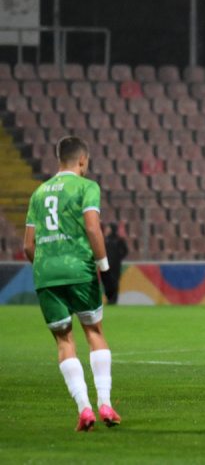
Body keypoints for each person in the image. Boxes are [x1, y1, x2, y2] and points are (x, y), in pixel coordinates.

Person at [23, 136, 122, 431]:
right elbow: (92, 227)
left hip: (45, 274)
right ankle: (105, 403)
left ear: (58, 159)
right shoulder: (86, 187)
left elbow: (29, 245)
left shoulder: (38, 194)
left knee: (64, 341)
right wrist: (105, 269)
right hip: (79, 269)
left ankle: (84, 410)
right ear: (82, 160)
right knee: (94, 333)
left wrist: (46, 267)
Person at [101, 221, 128, 305]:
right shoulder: (105, 239)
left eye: (108, 227)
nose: (107, 229)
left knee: (114, 282)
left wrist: (118, 258)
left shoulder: (118, 239)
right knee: (107, 282)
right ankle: (109, 299)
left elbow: (125, 251)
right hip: (106, 265)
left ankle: (113, 300)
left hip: (115, 266)